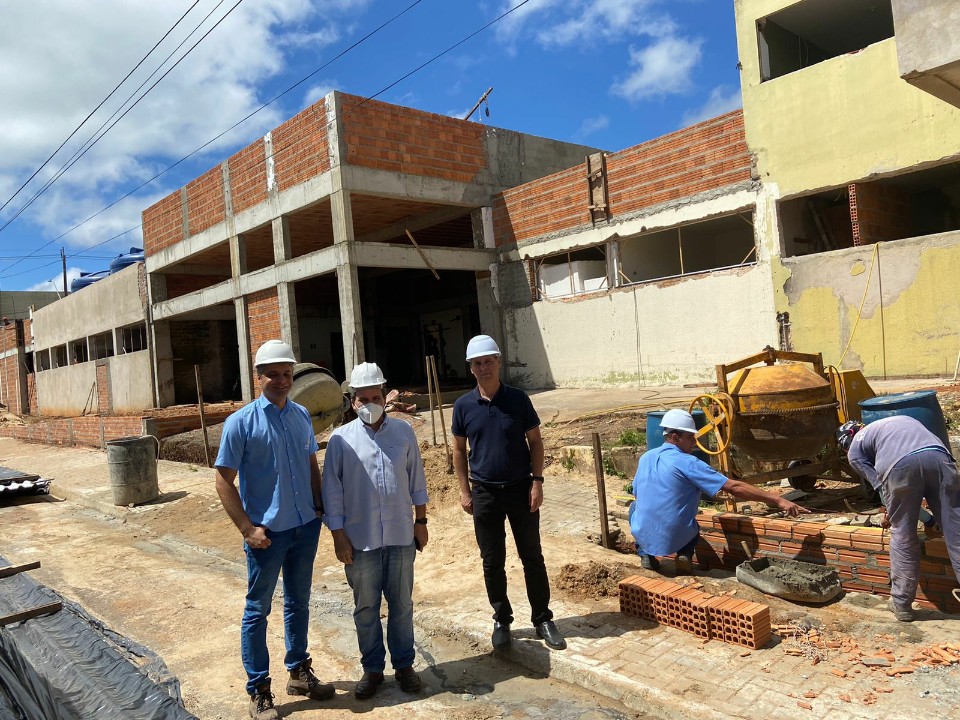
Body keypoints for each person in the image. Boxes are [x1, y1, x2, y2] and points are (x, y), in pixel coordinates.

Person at [214, 339, 334, 720]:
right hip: (267, 536)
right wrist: (247, 529)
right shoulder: (241, 423)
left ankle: (298, 671)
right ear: (258, 377)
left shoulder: (300, 415)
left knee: (298, 602)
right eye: (274, 375)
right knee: (257, 610)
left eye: (286, 374)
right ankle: (259, 689)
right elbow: (223, 481)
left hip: (304, 527)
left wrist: (318, 508)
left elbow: (310, 463)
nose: (282, 381)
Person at [452, 334, 566, 651]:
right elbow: (459, 452)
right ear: (471, 368)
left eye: (489, 361)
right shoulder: (463, 406)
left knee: (532, 556)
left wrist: (537, 481)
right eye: (478, 363)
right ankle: (502, 620)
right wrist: (465, 491)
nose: (484, 367)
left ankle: (543, 618)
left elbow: (536, 441)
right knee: (492, 561)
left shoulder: (518, 399)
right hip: (485, 493)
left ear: (499, 363)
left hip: (520, 490)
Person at [322, 362, 429, 700]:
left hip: (400, 537)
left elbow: (417, 480)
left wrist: (421, 522)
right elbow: (332, 492)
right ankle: (372, 670)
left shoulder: (404, 433)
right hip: (360, 541)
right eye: (362, 398)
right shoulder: (341, 440)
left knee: (402, 605)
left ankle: (404, 666)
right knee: (366, 608)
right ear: (352, 401)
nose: (369, 403)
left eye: (375, 396)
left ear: (385, 396)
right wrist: (338, 536)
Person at [631, 409, 808, 575]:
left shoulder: (646, 457)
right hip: (675, 535)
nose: (694, 442)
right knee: (690, 519)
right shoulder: (688, 462)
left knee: (633, 507)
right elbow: (734, 487)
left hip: (645, 534)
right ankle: (684, 554)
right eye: (690, 437)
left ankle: (646, 555)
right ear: (675, 437)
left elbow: (637, 493)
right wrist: (777, 500)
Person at [839, 416, 960, 621]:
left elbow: (881, 489)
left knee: (903, 535)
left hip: (900, 466)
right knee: (956, 533)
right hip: (940, 458)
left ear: (845, 442)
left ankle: (902, 604)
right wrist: (932, 520)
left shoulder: (853, 451)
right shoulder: (894, 423)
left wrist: (898, 512)